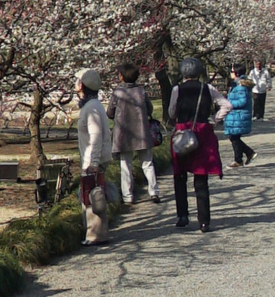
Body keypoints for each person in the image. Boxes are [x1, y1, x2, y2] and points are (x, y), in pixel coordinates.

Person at [168, 57, 232, 233]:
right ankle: (204, 221)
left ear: (183, 72)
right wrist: (214, 120)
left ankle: (182, 216)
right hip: (202, 134)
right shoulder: (208, 88)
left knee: (180, 176)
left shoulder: (177, 90)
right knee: (201, 178)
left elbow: (171, 112)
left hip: (182, 133)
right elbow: (227, 105)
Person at [107, 62, 160, 205]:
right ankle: (154, 192)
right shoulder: (141, 91)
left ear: (122, 77)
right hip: (142, 132)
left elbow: (110, 113)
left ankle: (127, 196)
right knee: (147, 163)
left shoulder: (118, 92)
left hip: (123, 134)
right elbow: (149, 110)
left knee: (125, 165)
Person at [75, 68, 112, 246]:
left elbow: (95, 136)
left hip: (92, 158)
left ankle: (96, 234)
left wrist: (94, 162)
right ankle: (95, 232)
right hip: (90, 157)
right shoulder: (91, 105)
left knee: (92, 196)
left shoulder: (92, 108)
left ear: (82, 85)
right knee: (92, 195)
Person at [224, 64, 257, 167]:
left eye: (232, 71)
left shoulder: (240, 86)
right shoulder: (236, 84)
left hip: (238, 115)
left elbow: (242, 101)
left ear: (236, 73)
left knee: (234, 137)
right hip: (235, 116)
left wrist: (228, 104)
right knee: (233, 137)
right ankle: (248, 153)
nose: (231, 73)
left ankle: (239, 159)